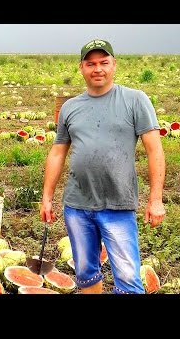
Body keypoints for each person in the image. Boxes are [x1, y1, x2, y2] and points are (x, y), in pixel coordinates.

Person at [40, 39, 166, 294]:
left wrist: (156, 199)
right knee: (86, 272)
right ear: (82, 68)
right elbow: (57, 152)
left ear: (114, 65)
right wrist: (47, 197)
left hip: (118, 205)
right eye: (91, 64)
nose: (98, 69)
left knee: (129, 280)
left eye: (104, 63)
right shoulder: (70, 107)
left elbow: (155, 149)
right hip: (77, 205)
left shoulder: (135, 100)